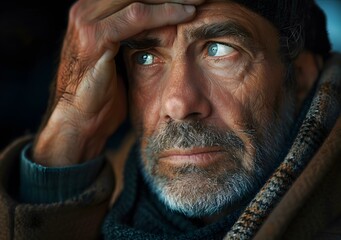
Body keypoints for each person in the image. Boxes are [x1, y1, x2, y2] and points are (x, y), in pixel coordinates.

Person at [0, 0, 340, 239]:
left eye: (219, 49)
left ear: (299, 76)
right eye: (147, 57)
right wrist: (70, 125)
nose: (178, 103)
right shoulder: (114, 191)